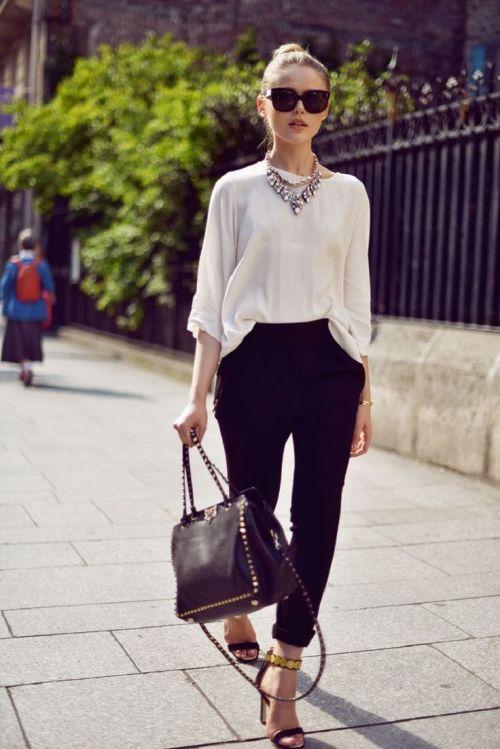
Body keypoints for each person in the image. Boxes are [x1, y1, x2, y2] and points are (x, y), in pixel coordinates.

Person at [173, 42, 373, 749]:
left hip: (329, 365)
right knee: (254, 513)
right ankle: (238, 610)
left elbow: (355, 297)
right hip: (254, 366)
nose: (298, 110)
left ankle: (284, 673)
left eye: (312, 98)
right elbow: (211, 299)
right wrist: (197, 396)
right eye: (284, 97)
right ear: (263, 105)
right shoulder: (235, 190)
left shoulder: (350, 193)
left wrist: (364, 393)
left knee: (319, 518)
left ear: (326, 107)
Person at [0, 228, 56, 386]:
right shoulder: (41, 265)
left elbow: (4, 287)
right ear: (36, 246)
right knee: (32, 342)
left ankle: (24, 368)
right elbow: (49, 287)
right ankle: (29, 367)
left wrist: (5, 305)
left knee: (19, 343)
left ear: (20, 245)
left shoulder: (14, 264)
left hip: (16, 311)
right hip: (36, 311)